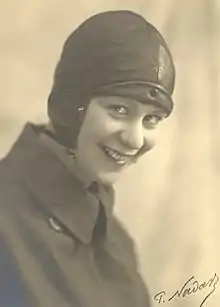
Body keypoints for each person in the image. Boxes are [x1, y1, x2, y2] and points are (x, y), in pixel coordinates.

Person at [0, 10, 175, 307]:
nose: (135, 140)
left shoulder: (117, 243)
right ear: (70, 105)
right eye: (119, 110)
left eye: (151, 119)